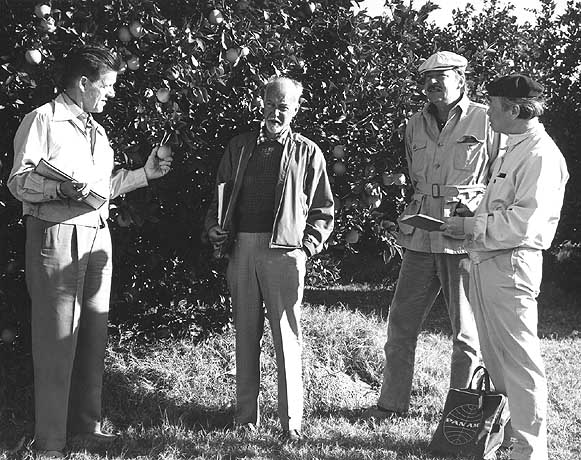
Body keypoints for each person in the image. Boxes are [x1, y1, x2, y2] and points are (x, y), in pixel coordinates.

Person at [8, 46, 172, 458]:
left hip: (97, 236)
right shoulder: (42, 120)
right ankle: (50, 441)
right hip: (56, 235)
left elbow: (102, 191)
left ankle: (85, 428)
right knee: (55, 338)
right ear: (83, 83)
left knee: (93, 336)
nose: (111, 94)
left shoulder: (97, 130)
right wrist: (58, 188)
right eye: (107, 85)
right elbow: (18, 182)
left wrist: (143, 175)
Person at [363, 51, 503, 419]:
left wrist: (478, 212)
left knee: (466, 334)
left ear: (461, 79)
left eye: (442, 76)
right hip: (421, 236)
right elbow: (413, 175)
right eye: (427, 77)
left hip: (462, 236)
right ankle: (391, 405)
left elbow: (499, 178)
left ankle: (460, 410)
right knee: (401, 323)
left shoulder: (487, 120)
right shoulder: (414, 124)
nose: (433, 84)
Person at [442, 74, 568, 460]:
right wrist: (475, 206)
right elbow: (505, 205)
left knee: (519, 364)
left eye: (494, 105)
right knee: (497, 361)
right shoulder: (515, 148)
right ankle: (506, 440)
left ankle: (529, 451)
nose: (488, 113)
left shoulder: (540, 155)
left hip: (511, 267)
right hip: (488, 262)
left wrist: (469, 225)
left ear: (514, 109)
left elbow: (525, 224)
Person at [204, 76, 334, 441]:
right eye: (272, 103)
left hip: (284, 253)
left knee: (286, 337)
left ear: (295, 110)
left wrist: (305, 248)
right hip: (242, 248)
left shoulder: (308, 152)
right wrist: (214, 227)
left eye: (285, 106)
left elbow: (324, 210)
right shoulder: (239, 146)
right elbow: (219, 196)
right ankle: (245, 417)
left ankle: (290, 422)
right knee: (245, 333)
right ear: (261, 104)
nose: (277, 112)